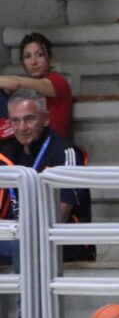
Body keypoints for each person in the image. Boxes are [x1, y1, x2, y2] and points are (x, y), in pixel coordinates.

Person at [0, 89, 93, 266]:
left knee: (22, 246)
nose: (22, 127)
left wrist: (20, 231)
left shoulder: (64, 153)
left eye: (29, 119)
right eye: (15, 121)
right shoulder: (6, 153)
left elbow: (59, 216)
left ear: (46, 118)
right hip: (16, 235)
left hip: (62, 242)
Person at [0, 33, 74, 142]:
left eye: (40, 55)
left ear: (50, 59)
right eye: (27, 56)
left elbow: (17, 83)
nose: (33, 62)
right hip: (23, 142)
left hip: (49, 144)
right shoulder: (24, 90)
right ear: (22, 62)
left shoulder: (59, 82)